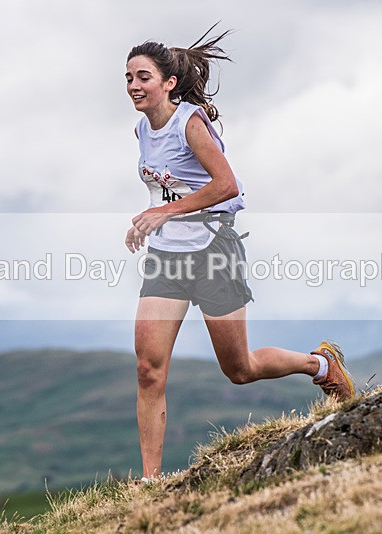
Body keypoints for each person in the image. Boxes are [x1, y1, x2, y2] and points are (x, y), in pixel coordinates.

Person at [124, 26, 355, 481]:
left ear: (168, 83)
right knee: (149, 371)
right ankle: (150, 481)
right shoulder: (141, 130)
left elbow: (227, 185)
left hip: (213, 251)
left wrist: (164, 214)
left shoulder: (189, 122)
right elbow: (166, 189)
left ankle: (321, 364)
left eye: (143, 77)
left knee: (240, 369)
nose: (134, 86)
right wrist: (145, 221)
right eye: (129, 78)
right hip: (167, 259)